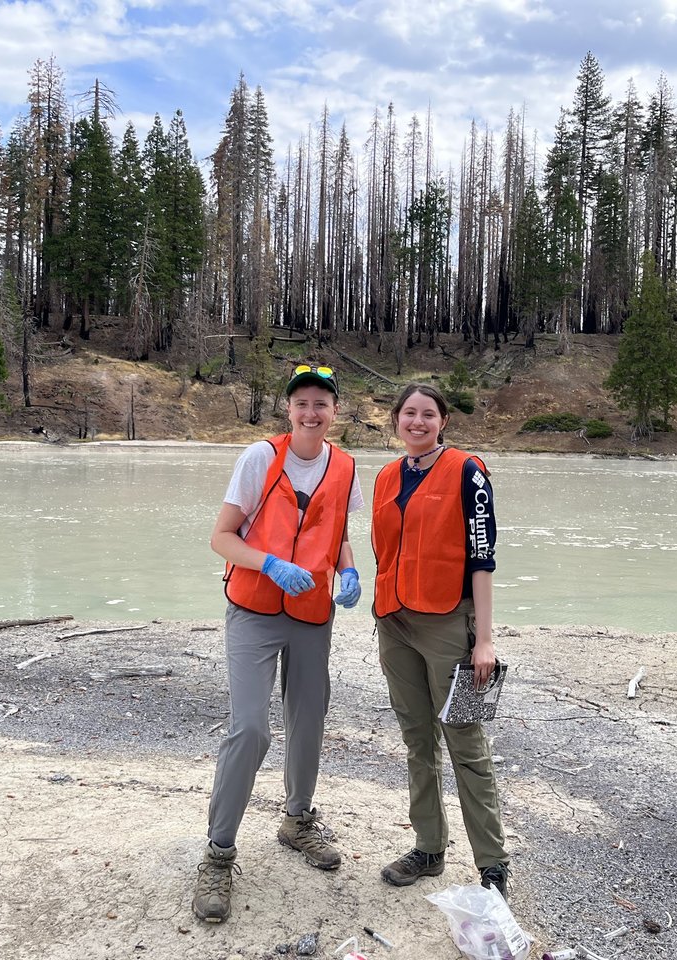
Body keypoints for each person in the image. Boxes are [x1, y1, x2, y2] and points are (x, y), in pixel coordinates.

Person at [192, 363, 365, 924]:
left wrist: (350, 570)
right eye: (301, 403)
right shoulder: (260, 458)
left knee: (309, 718)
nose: (311, 412)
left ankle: (297, 820)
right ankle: (218, 853)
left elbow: (337, 531)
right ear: (287, 409)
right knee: (250, 728)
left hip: (313, 611)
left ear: (336, 411)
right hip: (255, 610)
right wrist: (267, 562)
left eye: (322, 403)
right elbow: (220, 537)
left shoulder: (344, 465)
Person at [371, 382, 511, 900]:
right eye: (409, 413)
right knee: (417, 739)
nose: (417, 422)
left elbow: (482, 557)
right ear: (396, 420)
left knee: (466, 745)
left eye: (428, 414)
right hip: (394, 621)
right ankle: (429, 848)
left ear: (443, 421)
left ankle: (493, 868)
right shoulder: (387, 476)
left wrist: (484, 639)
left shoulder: (468, 472)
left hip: (450, 625)